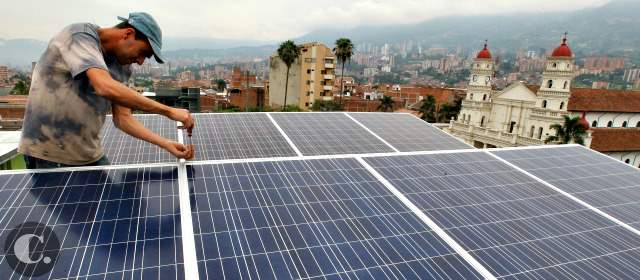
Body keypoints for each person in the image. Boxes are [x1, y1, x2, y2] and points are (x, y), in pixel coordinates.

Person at [19, 12, 194, 169]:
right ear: (128, 34)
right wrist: (169, 111)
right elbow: (104, 87)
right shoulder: (80, 36)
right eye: (143, 53)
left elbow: (123, 118)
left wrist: (165, 144)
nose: (140, 62)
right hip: (50, 154)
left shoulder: (122, 67)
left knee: (120, 204)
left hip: (89, 154)